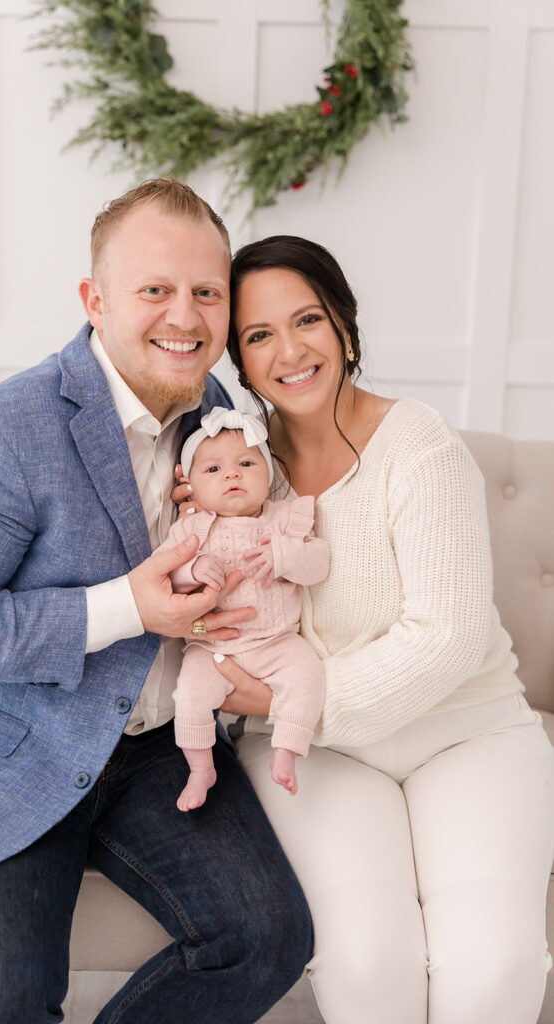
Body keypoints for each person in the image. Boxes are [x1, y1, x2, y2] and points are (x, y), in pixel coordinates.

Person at [0, 185, 313, 1024]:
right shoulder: (0, 432)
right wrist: (127, 608)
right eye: (154, 289)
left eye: (206, 293)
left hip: (157, 747)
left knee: (264, 938)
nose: (183, 318)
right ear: (94, 300)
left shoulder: (224, 419)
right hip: (8, 743)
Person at [197, 233, 554, 1024]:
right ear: (239, 362)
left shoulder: (418, 442)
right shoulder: (236, 473)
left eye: (308, 320)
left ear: (345, 329)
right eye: (258, 336)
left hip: (464, 730)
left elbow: (448, 638)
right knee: (366, 967)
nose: (289, 350)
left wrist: (278, 701)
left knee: (491, 969)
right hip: (314, 754)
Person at [159, 406, 330, 810]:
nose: (232, 474)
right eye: (213, 469)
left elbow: (319, 563)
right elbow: (168, 575)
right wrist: (194, 566)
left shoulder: (285, 521)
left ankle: (287, 748)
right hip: (211, 649)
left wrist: (285, 558)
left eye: (246, 463)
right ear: (192, 489)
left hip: (277, 642)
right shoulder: (191, 528)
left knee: (307, 675)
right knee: (190, 695)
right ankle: (201, 767)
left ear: (269, 475)